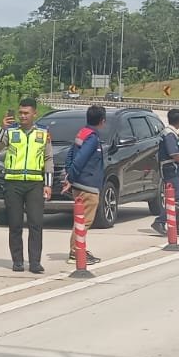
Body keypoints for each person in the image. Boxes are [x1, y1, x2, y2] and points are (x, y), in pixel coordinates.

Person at [0, 97, 51, 273]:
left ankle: (35, 262)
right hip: (13, 183)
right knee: (15, 224)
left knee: (36, 223)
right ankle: (17, 261)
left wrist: (48, 184)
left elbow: (48, 159)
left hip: (35, 184)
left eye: (26, 113)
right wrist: (2, 129)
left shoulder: (43, 133)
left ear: (34, 113)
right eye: (20, 113)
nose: (23, 116)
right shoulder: (11, 132)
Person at [63, 105, 106, 265]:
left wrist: (70, 175)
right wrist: (71, 177)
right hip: (88, 185)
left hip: (80, 183)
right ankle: (76, 251)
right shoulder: (92, 138)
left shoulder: (82, 133)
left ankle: (78, 249)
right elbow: (80, 159)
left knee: (80, 220)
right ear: (102, 121)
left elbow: (70, 155)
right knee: (84, 221)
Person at [154, 108, 179, 236]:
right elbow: (174, 153)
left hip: (173, 170)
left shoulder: (170, 133)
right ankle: (160, 221)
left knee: (174, 198)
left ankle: (176, 226)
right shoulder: (169, 134)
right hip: (171, 170)